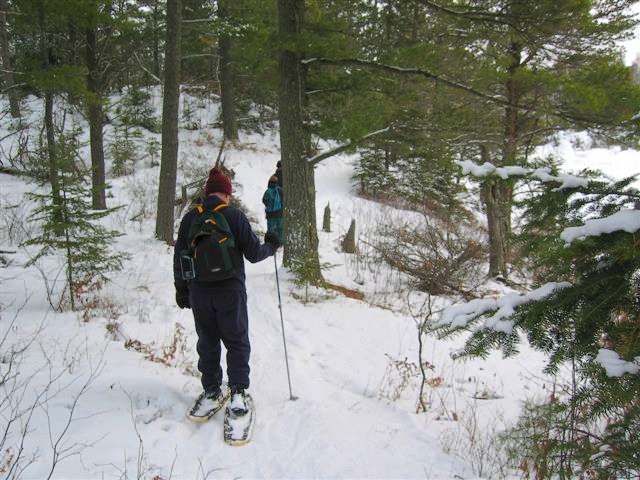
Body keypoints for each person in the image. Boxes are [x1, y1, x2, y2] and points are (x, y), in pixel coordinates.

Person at [174, 167, 281, 419]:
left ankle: (211, 390)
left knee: (207, 341)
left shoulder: (190, 219)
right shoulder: (234, 216)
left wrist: (181, 290)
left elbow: (180, 256)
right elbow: (254, 254)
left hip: (199, 292)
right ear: (226, 194)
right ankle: (237, 392)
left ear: (207, 193)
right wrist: (272, 245)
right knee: (236, 340)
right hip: (230, 290)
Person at [262, 175, 284, 243]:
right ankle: (280, 242)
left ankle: (270, 243)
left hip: (270, 215)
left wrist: (269, 205)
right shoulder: (280, 190)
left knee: (270, 229)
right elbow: (283, 201)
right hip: (280, 213)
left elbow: (264, 200)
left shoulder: (267, 191)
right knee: (280, 229)